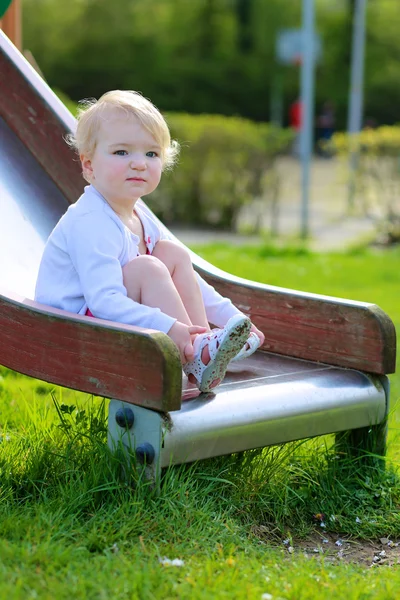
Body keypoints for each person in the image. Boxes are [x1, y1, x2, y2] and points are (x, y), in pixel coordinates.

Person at [35, 90, 265, 394]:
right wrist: (171, 327)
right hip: (73, 330)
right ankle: (195, 351)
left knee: (172, 254)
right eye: (121, 152)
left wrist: (234, 317)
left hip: (107, 318)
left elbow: (189, 279)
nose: (139, 164)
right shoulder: (90, 220)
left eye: (151, 154)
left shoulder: (140, 215)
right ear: (88, 166)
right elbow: (104, 301)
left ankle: (204, 350)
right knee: (147, 267)